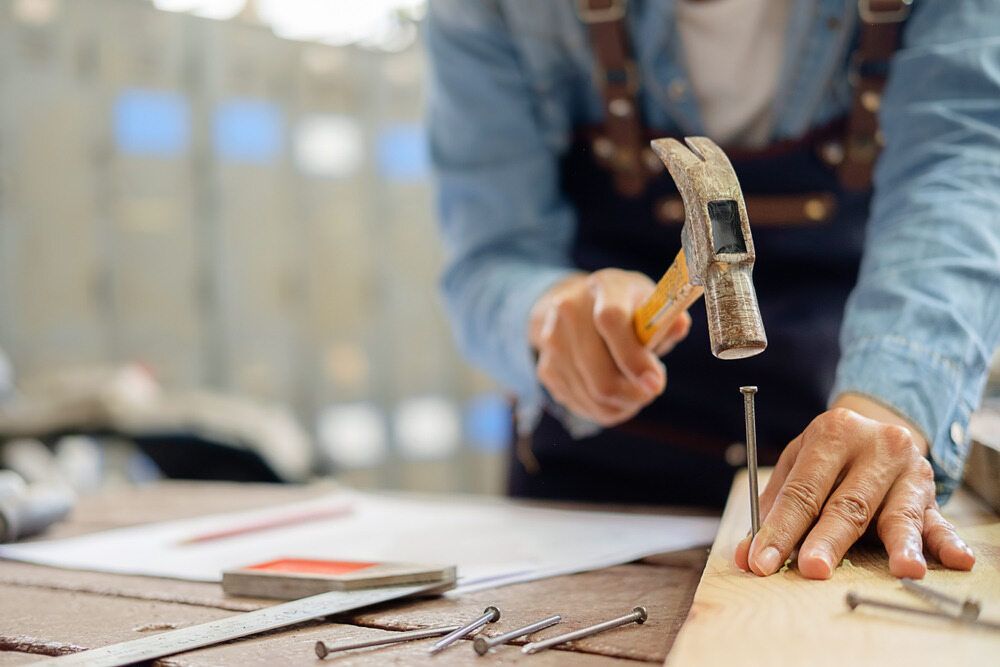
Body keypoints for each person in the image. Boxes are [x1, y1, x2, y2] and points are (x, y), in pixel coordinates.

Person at [427, 0, 1000, 580]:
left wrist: (889, 408)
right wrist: (549, 312)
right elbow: (492, 254)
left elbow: (961, 172)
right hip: (593, 493)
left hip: (834, 431)